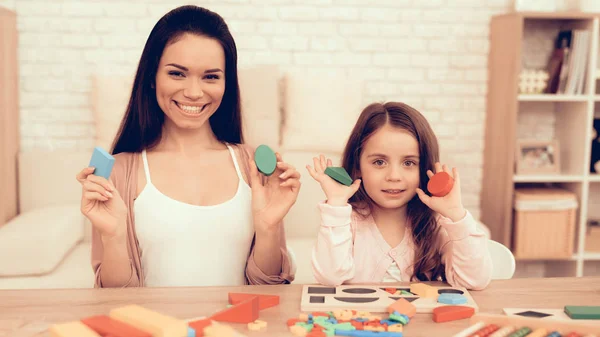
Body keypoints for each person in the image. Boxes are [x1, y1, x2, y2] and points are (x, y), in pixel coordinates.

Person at [75, 5, 299, 288]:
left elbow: (270, 289)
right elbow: (115, 300)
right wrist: (113, 236)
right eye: (177, 74)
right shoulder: (118, 171)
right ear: (152, 78)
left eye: (211, 77)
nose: (194, 92)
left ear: (226, 84)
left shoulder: (253, 165)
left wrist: (268, 230)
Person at [306, 102, 492, 289]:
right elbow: (329, 278)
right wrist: (337, 204)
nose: (394, 176)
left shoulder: (438, 224)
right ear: (357, 167)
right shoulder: (346, 222)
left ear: (424, 168)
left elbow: (474, 281)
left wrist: (456, 215)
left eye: (409, 163)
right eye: (379, 162)